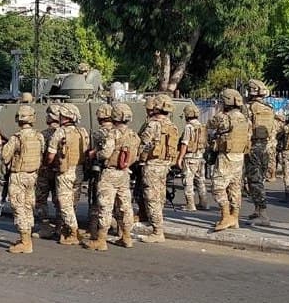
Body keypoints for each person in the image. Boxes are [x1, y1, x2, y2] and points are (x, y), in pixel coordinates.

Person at [86, 103, 141, 250]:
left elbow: (105, 153)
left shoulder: (113, 134)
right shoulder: (133, 134)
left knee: (105, 206)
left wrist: (96, 154)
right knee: (125, 206)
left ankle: (101, 240)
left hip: (109, 173)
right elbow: (136, 156)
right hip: (124, 173)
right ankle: (126, 237)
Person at [0, 105, 45, 253]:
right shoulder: (39, 136)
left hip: (18, 176)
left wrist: (0, 143)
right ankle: (27, 238)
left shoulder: (16, 138)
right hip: (33, 175)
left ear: (18, 119)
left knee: (19, 208)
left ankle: (25, 243)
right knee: (28, 207)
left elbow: (4, 157)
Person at [137, 94, 179, 243]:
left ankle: (157, 231)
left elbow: (144, 145)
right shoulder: (172, 126)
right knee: (160, 195)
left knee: (152, 196)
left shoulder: (153, 124)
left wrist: (140, 157)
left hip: (153, 164)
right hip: (165, 165)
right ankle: (157, 222)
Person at [46, 103, 89, 245]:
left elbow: (51, 155)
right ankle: (66, 229)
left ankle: (73, 232)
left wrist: (48, 164)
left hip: (64, 172)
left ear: (64, 116)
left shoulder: (60, 132)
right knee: (73, 202)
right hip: (79, 170)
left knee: (64, 204)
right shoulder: (82, 132)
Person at [208, 89, 250, 232]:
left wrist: (218, 110)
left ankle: (226, 216)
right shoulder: (244, 118)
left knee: (218, 186)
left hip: (226, 156)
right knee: (235, 187)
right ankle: (235, 217)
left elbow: (209, 125)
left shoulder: (224, 117)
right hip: (239, 156)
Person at [244, 79, 275, 226]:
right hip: (265, 147)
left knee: (254, 181)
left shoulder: (249, 108)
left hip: (253, 147)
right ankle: (257, 210)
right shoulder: (268, 108)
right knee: (259, 179)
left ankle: (263, 214)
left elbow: (244, 127)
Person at [84, 103, 114, 244]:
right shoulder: (117, 131)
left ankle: (94, 229)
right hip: (118, 170)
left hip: (100, 170)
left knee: (96, 199)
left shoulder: (99, 133)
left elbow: (94, 151)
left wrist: (92, 155)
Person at [35, 104, 62, 239]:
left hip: (45, 172)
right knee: (60, 201)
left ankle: (45, 227)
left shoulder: (43, 134)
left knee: (41, 200)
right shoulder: (65, 133)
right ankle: (59, 227)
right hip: (61, 172)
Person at [175, 104, 209, 212]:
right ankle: (204, 203)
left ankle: (190, 204)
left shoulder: (189, 127)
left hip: (190, 158)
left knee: (188, 181)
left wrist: (180, 158)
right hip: (200, 158)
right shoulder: (202, 126)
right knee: (200, 181)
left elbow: (184, 144)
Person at [267, 112, 286, 181]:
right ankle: (273, 175)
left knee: (271, 160)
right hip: (273, 143)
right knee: (273, 160)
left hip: (271, 144)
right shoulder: (278, 124)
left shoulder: (273, 123)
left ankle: (272, 176)